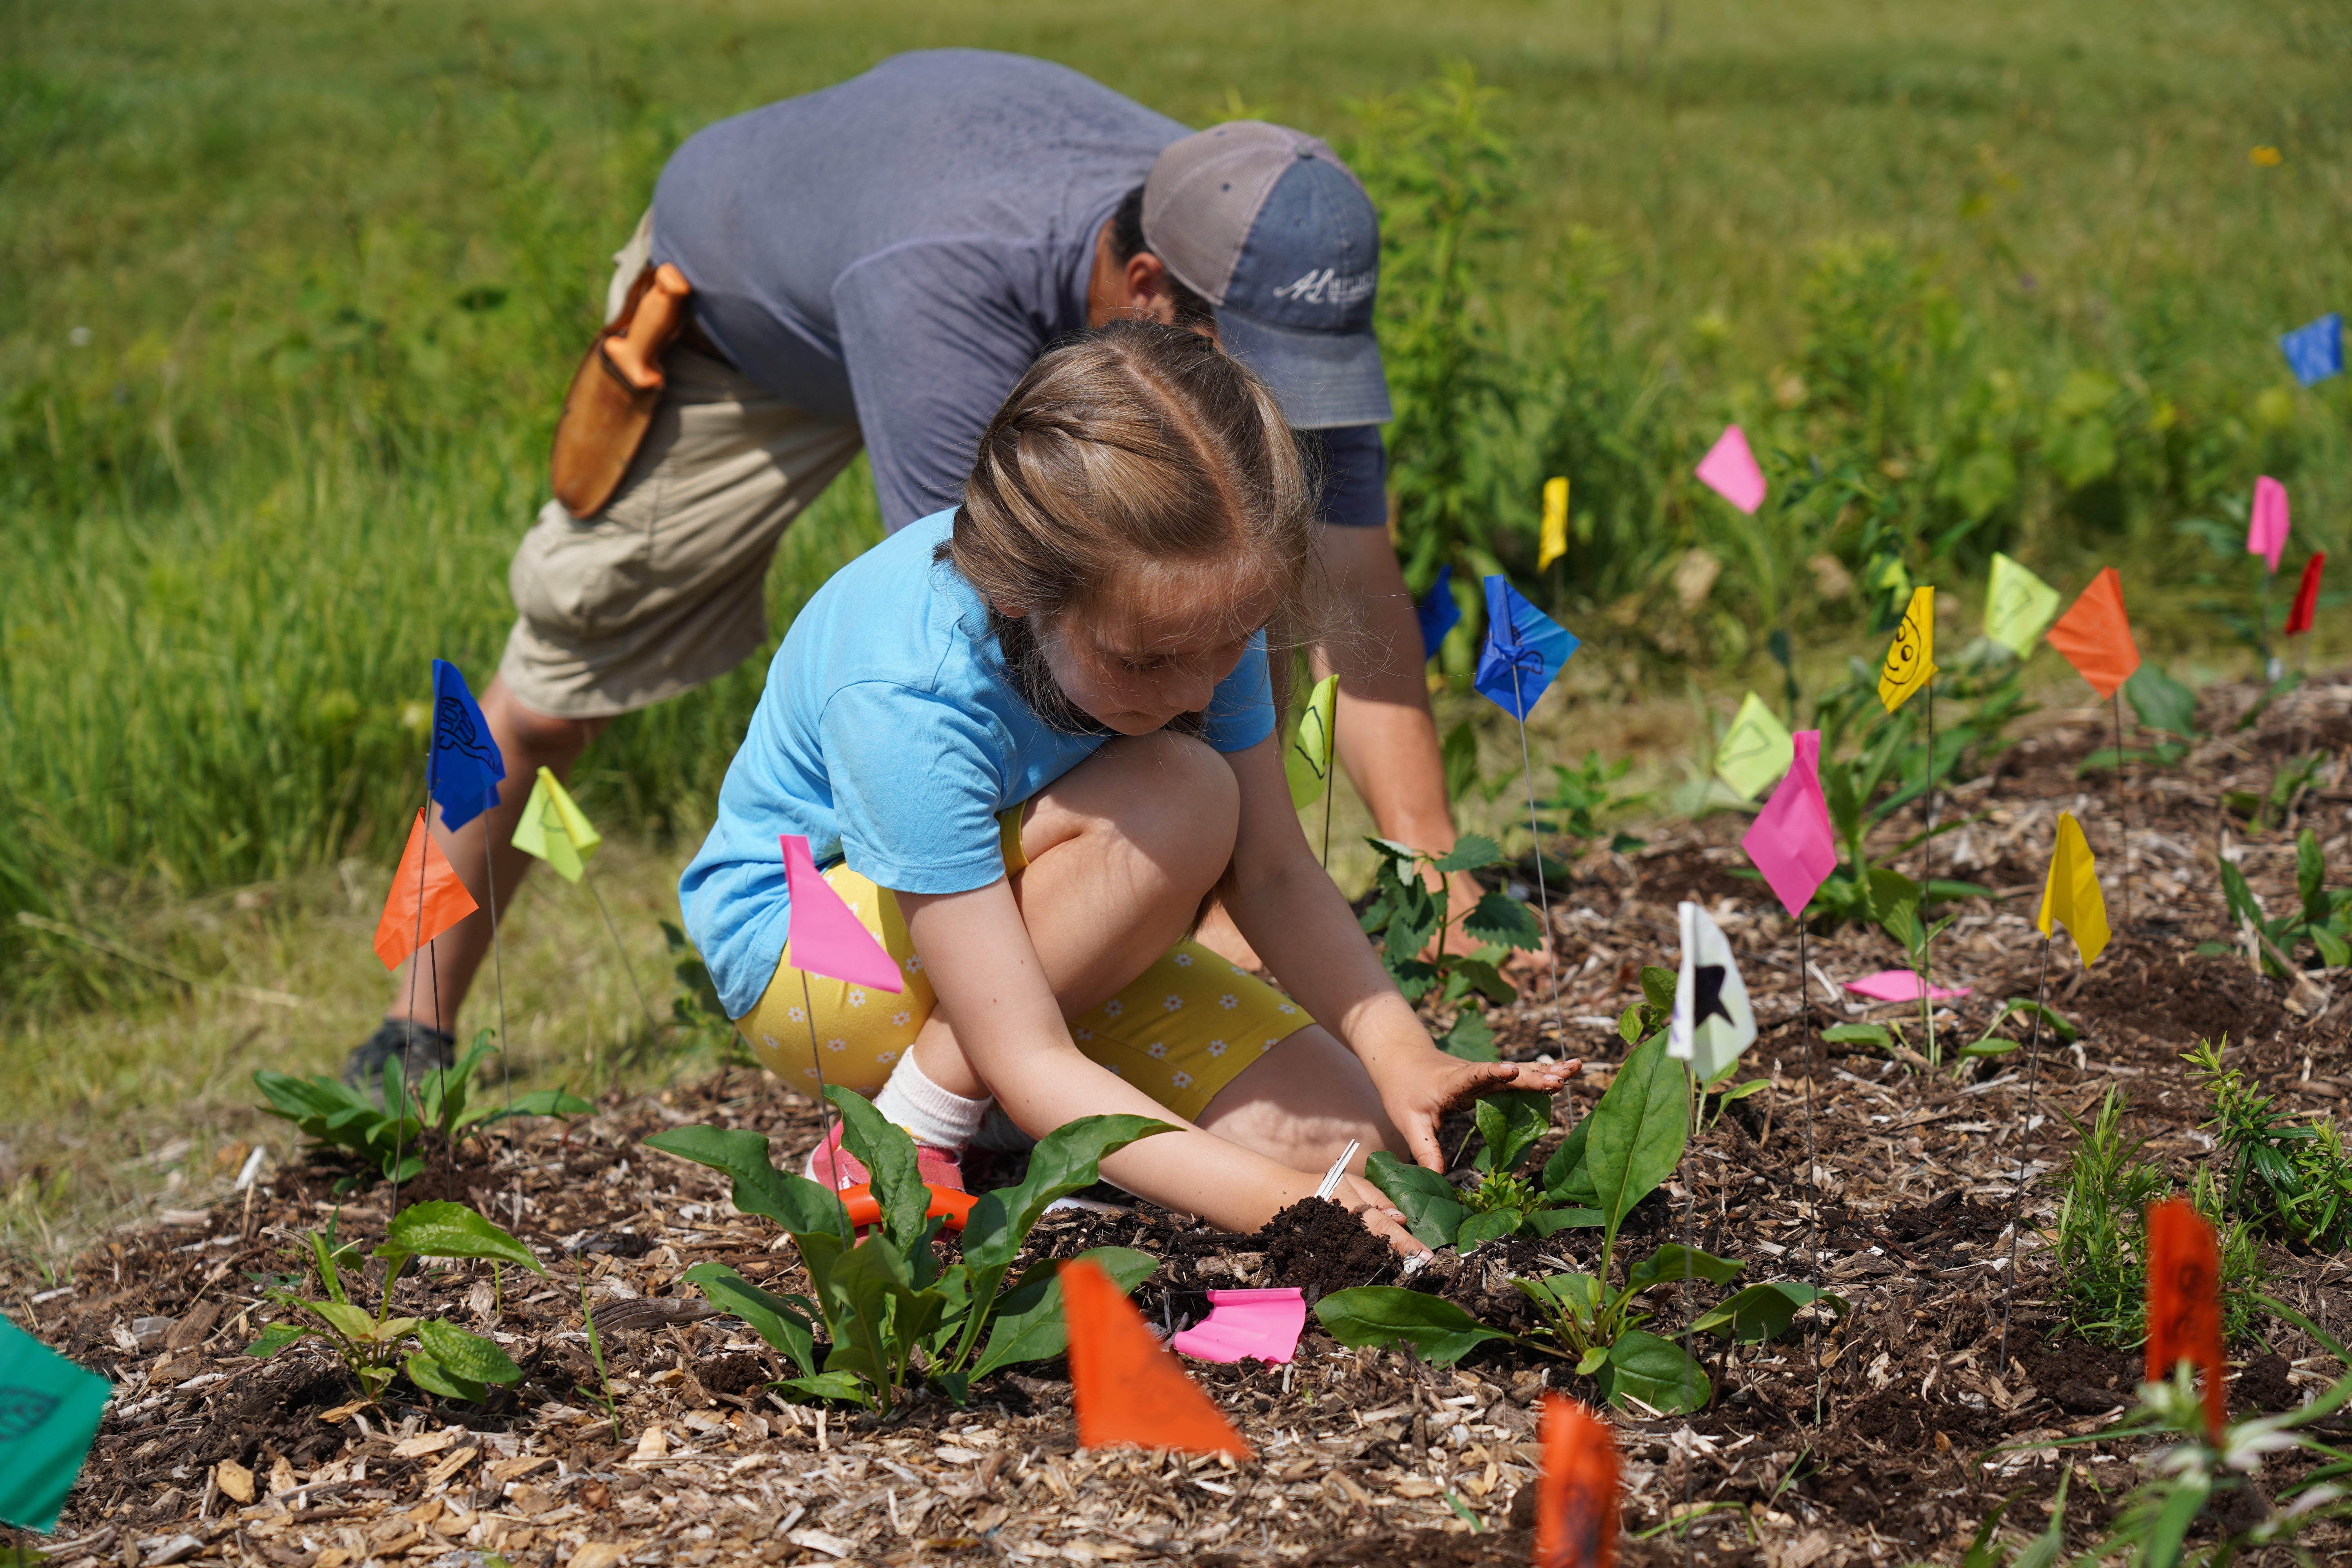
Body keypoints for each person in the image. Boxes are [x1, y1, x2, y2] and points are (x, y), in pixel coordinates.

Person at [349, 49, 1477, 1086]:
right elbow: (986, 656)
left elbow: (1343, 581)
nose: (1284, 401)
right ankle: (413, 1017)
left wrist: (1428, 869)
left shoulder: (1262, 274)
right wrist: (1172, 886)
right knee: (552, 692)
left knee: (1194, 614)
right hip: (744, 312)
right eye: (1255, 368)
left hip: (948, 268)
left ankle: (1025, 1027)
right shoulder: (950, 281)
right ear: (1146, 289)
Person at [678, 322, 1572, 1243]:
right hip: (818, 962)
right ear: (1022, 591)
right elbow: (1026, 1050)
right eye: (1148, 660)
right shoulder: (911, 691)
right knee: (1184, 794)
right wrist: (1288, 1209)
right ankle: (907, 1128)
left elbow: (1271, 869)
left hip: (1045, 933)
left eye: (1232, 641)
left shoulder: (1192, 603)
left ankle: (997, 1127)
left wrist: (1404, 1054)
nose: (1200, 689)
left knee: (1355, 1143)